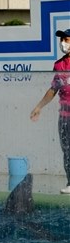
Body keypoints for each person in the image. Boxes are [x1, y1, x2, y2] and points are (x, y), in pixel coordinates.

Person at [30, 28, 70, 194]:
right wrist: (38, 107)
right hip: (65, 116)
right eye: (62, 40)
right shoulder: (59, 64)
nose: (63, 43)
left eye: (66, 39)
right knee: (67, 149)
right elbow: (53, 89)